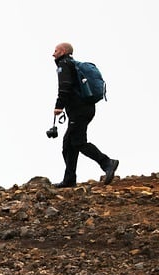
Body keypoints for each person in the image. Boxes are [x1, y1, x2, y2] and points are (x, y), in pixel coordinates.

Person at [52, 42, 119, 188]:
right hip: (85, 108)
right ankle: (69, 179)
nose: (53, 54)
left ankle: (107, 163)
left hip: (79, 110)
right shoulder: (72, 64)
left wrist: (58, 106)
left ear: (63, 51)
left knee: (78, 141)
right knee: (68, 144)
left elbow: (65, 86)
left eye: (56, 51)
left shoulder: (64, 64)